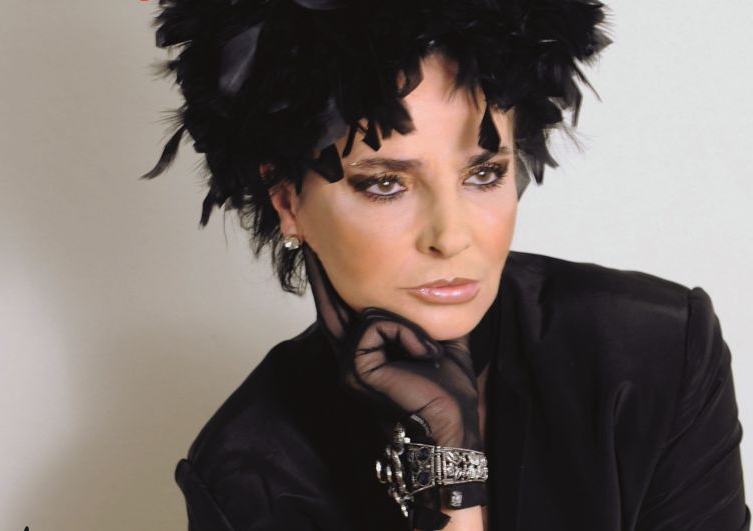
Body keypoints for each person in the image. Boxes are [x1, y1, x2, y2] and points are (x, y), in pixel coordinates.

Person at [142, 0, 751, 529]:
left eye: (484, 173)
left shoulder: (655, 353)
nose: (451, 237)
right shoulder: (249, 470)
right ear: (287, 203)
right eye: (386, 183)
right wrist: (447, 481)